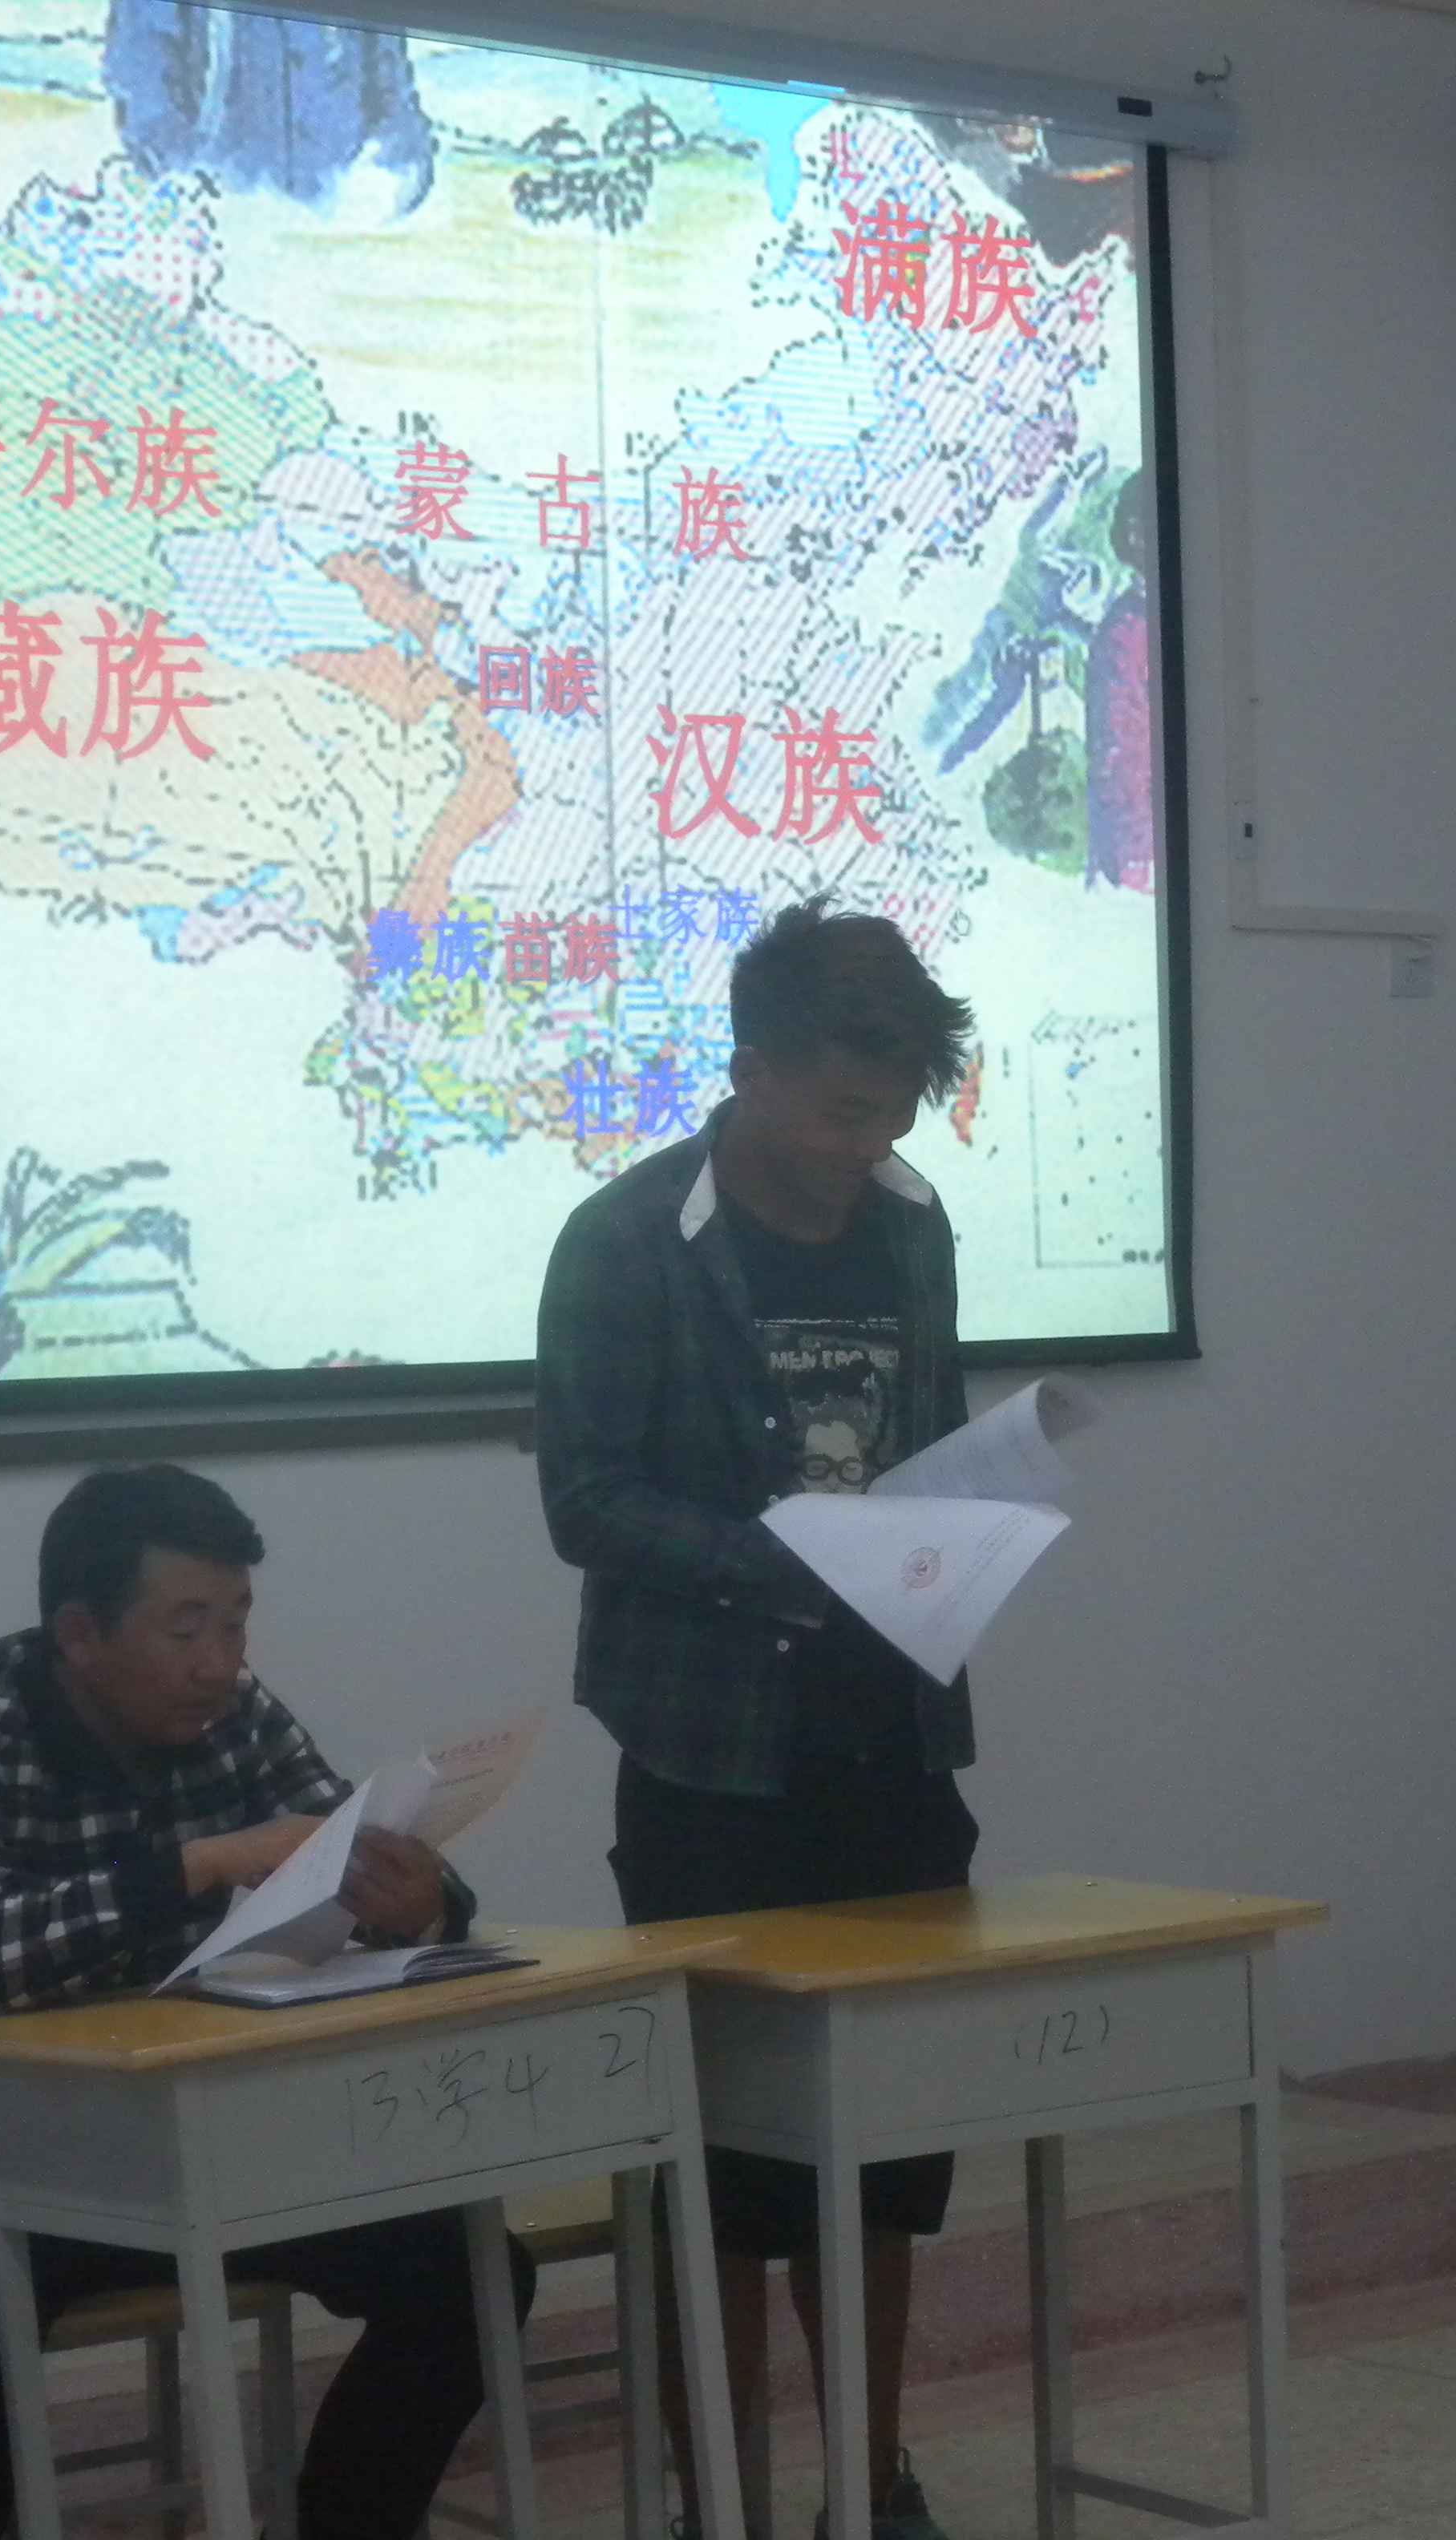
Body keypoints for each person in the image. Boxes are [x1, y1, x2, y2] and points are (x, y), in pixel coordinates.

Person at [0, 1462, 520, 2540]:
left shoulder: (237, 1714)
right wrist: (202, 1861)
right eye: (186, 1629)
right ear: (80, 1634)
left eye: (236, 1624)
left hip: (175, 2127)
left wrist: (421, 1904)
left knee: (470, 2275)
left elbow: (338, 1845)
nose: (219, 1664)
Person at [538, 902, 980, 2540]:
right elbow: (586, 1501)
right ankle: (717, 2494)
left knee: (881, 2158)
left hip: (892, 1744)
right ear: (752, 1071)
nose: (868, 1147)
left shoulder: (914, 1225)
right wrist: (779, 1564)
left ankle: (868, 2484)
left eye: (893, 1112)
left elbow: (930, 1443)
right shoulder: (627, 1240)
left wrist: (966, 1536)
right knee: (720, 2164)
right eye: (843, 1112)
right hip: (711, 1760)